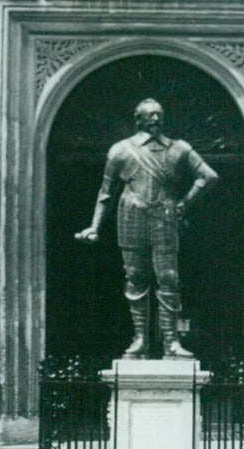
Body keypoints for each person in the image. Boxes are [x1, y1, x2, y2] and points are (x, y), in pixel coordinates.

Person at [75, 98, 218, 359]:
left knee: (169, 278)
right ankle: (140, 339)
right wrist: (95, 226)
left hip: (165, 215)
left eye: (158, 115)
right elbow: (106, 192)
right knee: (135, 276)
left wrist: (184, 203)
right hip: (130, 214)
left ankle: (171, 342)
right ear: (138, 119)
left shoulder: (179, 149)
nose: (154, 119)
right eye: (149, 115)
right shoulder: (121, 150)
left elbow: (208, 176)